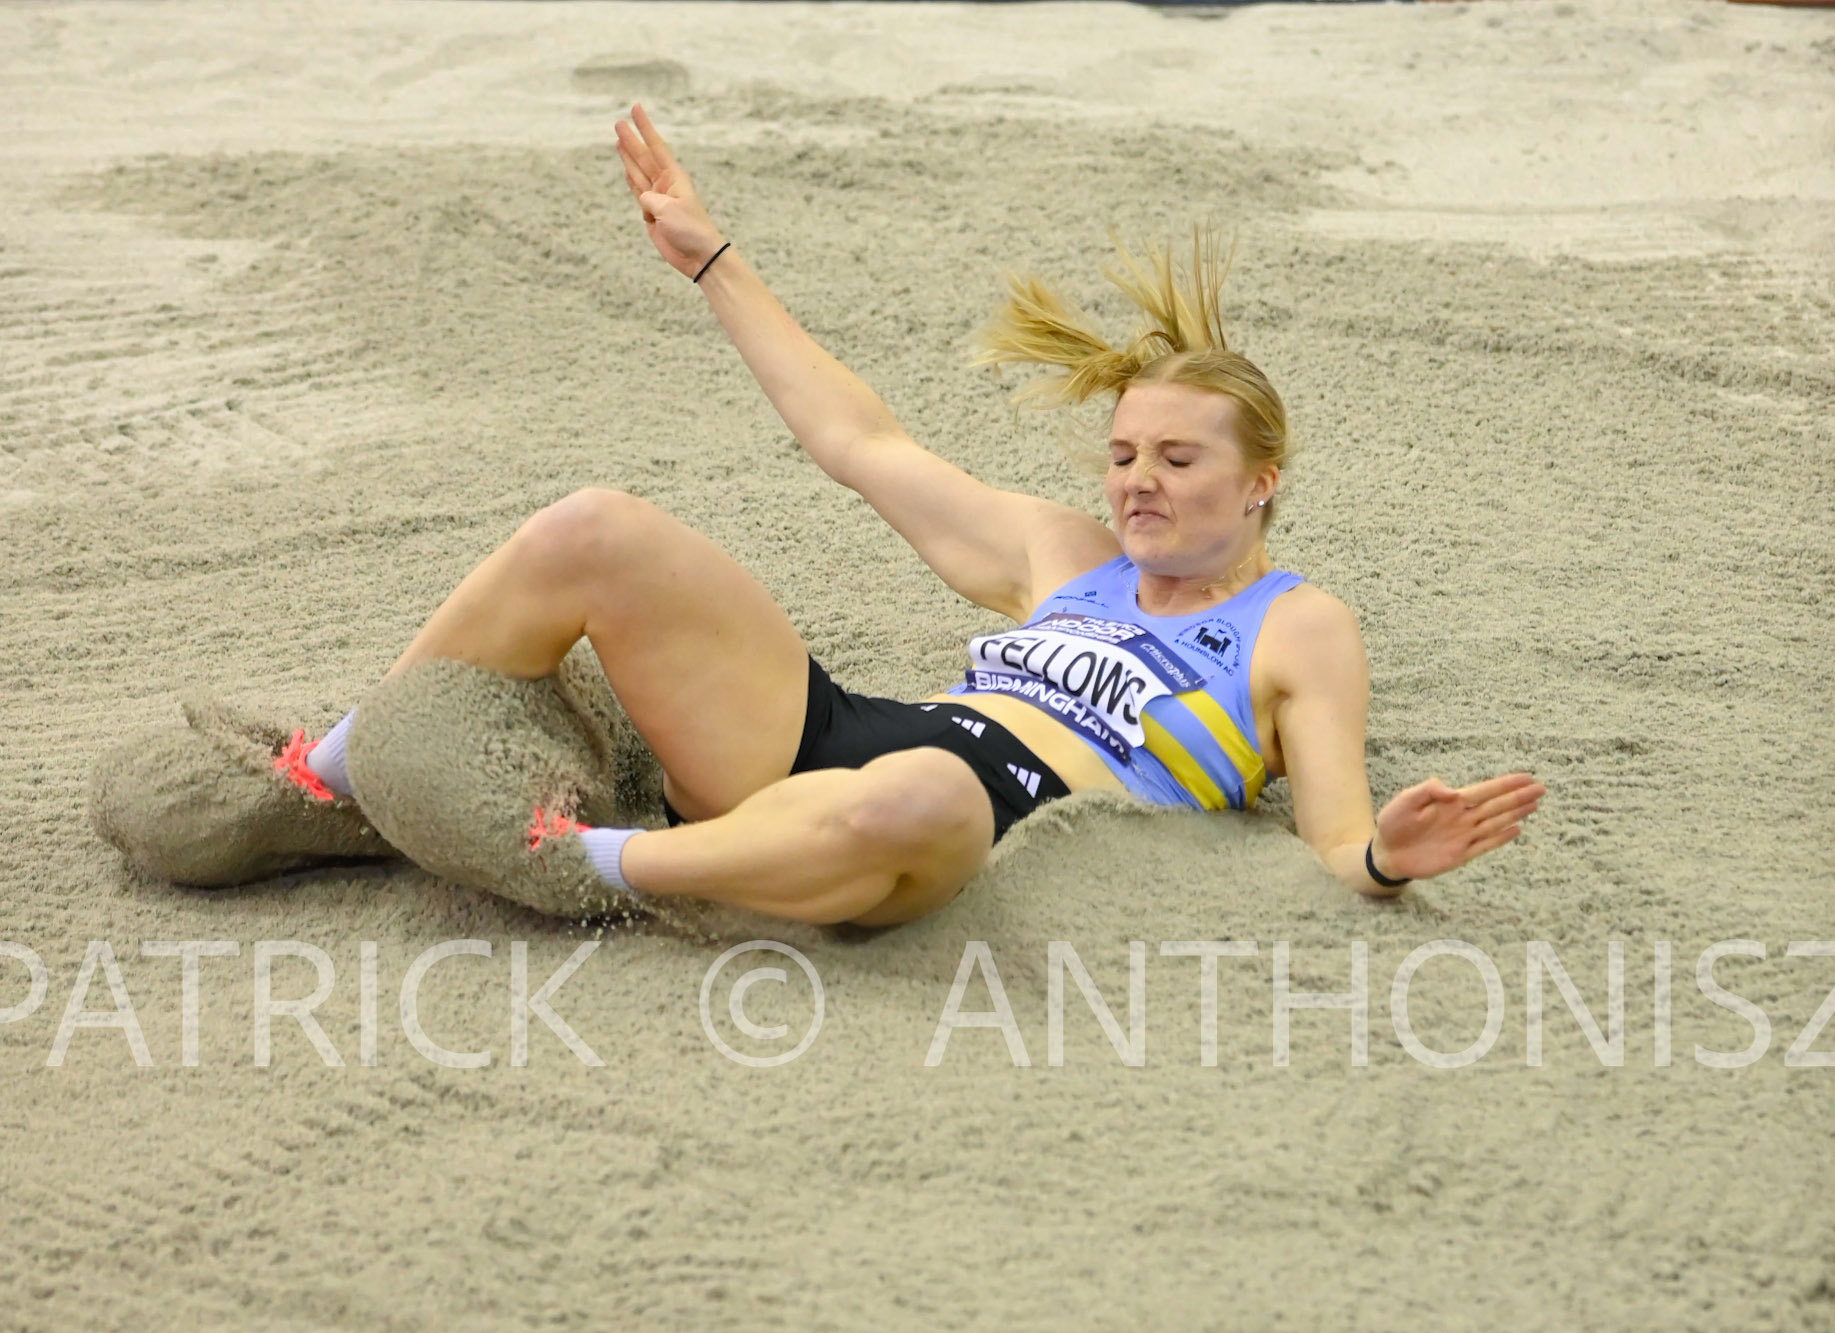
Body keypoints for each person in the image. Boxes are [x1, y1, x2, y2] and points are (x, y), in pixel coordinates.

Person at [281, 105, 1542, 927]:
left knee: (933, 789)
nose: (1135, 481)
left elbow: (1330, 834)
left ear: (1260, 478)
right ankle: (338, 769)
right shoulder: (1065, 554)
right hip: (837, 741)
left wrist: (1384, 853)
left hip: (952, 826)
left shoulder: (1296, 626)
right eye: (1120, 454)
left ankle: (587, 863)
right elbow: (857, 441)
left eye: (1175, 458)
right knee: (593, 527)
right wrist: (713, 260)